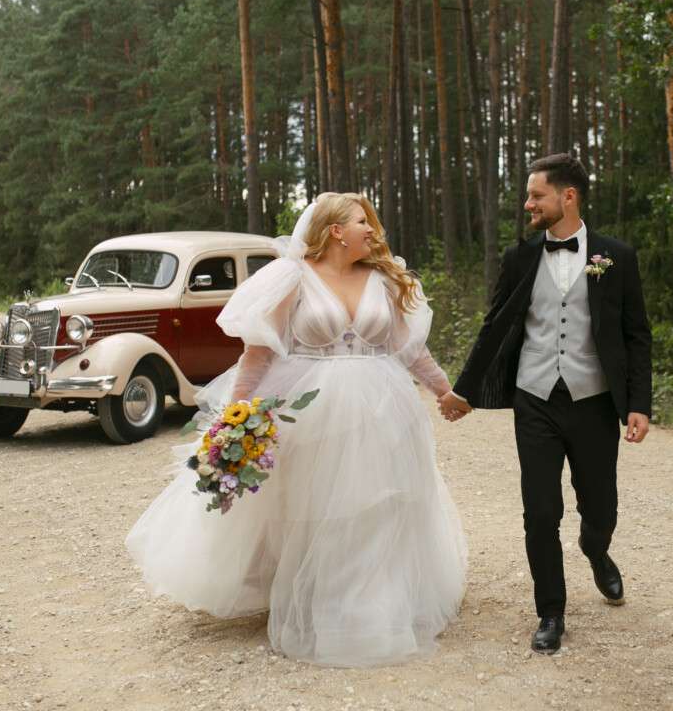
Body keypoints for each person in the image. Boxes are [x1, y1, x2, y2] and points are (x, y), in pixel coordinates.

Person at [126, 192, 467, 668]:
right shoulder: (294, 277)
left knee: (379, 505)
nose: (372, 230)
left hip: (382, 406)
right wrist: (236, 413)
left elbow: (408, 349)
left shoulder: (383, 280)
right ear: (335, 231)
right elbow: (259, 353)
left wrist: (444, 391)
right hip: (313, 408)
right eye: (361, 222)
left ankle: (371, 605)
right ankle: (321, 597)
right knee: (321, 507)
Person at [438, 153, 652, 654]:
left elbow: (636, 334)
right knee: (540, 511)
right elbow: (494, 326)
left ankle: (596, 550)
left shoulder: (615, 256)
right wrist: (464, 391)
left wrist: (639, 402)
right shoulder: (519, 258)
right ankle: (551, 612)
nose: (527, 203)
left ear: (568, 196)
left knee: (600, 506)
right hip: (534, 398)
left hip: (595, 401)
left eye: (537, 194)